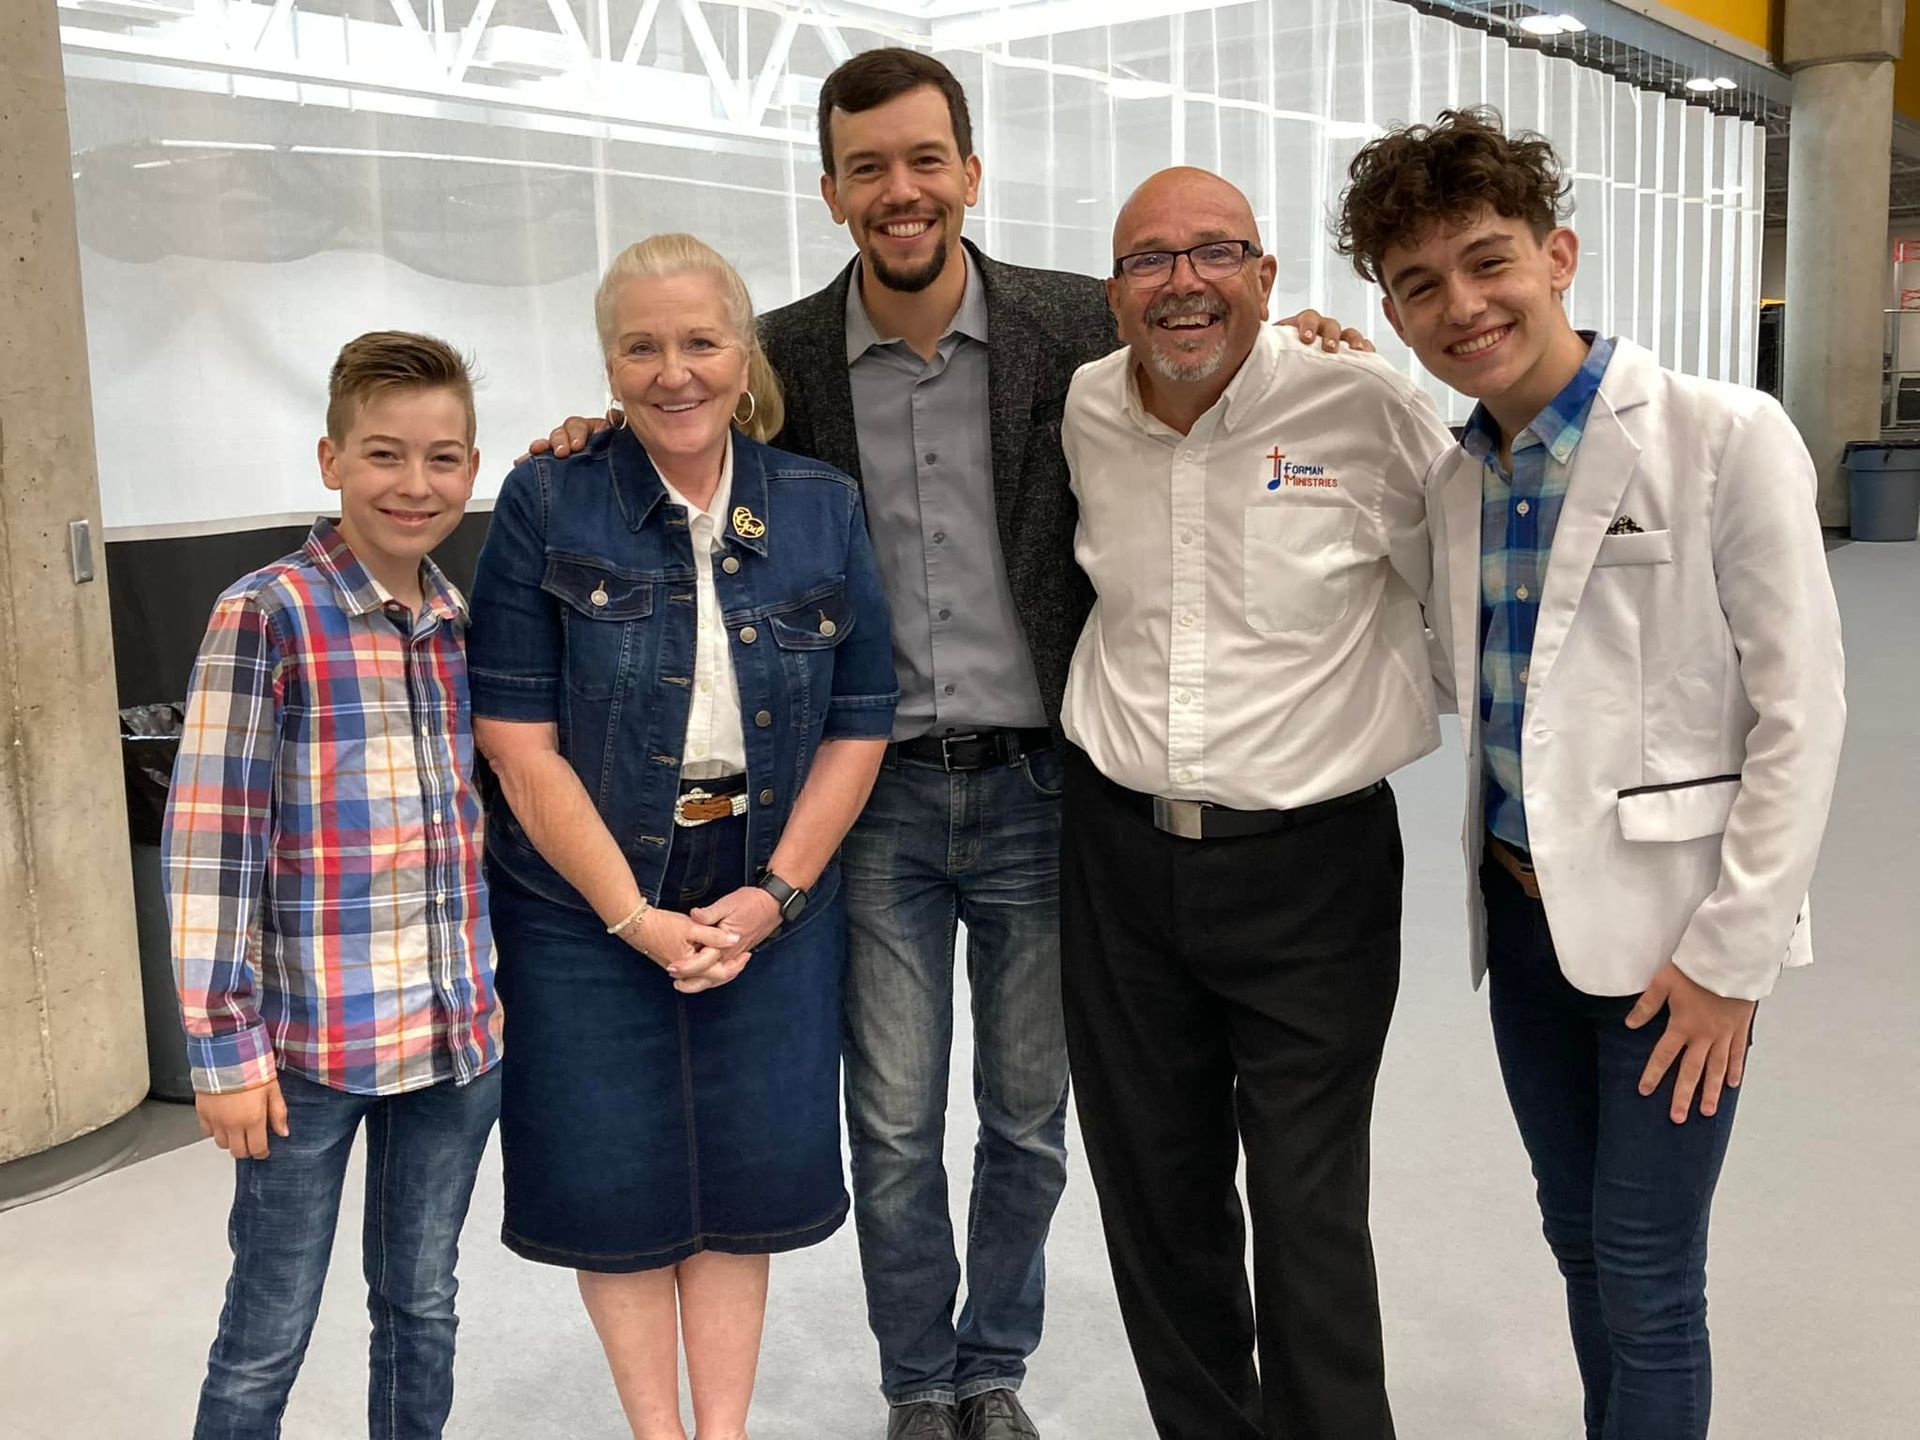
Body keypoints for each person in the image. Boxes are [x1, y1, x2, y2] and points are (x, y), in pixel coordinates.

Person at [531, 50, 1358, 1440]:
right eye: (869, 169)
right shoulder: (781, 355)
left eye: (926, 161)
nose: (901, 192)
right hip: (869, 802)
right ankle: (920, 1380)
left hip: (1048, 786)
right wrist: (599, 431)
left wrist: (1306, 342)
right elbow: (681, 425)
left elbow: (1208, 359)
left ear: (970, 172)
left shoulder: (1071, 324)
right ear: (832, 191)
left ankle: (993, 1366)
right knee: (897, 1123)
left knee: (1030, 1114)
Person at [1334, 109, 1846, 1440]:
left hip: (1677, 937)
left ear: (1558, 254)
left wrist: (1732, 961)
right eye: (1419, 284)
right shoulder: (1460, 484)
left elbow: (1802, 714)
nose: (1463, 304)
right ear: (1393, 311)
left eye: (1488, 260)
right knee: (1580, 1240)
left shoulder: (1722, 436)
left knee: (1649, 1271)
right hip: (1522, 916)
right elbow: (1460, 675)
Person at [467, 232, 897, 1440]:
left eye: (700, 341)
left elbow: (859, 728)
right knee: (616, 1180)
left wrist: (772, 896)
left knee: (744, 1179)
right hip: (581, 898)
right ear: (608, 361)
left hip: (764, 887)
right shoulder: (548, 499)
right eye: (641, 346)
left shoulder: (819, 508)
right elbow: (517, 739)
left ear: (743, 350)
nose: (674, 372)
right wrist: (633, 917)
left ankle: (723, 1433)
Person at [1055, 167, 1456, 1440]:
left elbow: (1464, 594)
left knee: (1306, 1208)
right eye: (1148, 261)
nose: (1182, 283)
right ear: (1113, 293)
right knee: (1157, 1205)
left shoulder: (1362, 404)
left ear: (1269, 278)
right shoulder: (1085, 407)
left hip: (1313, 871)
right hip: (1119, 860)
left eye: (1215, 252)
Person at [163, 330, 501, 1440]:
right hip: (306, 1053)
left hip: (450, 1044)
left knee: (423, 1305)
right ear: (330, 459)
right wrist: (221, 1049)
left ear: (473, 467)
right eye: (384, 455)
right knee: (268, 1328)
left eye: (444, 458)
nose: (415, 485)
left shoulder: (460, 626)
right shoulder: (267, 613)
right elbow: (213, 841)